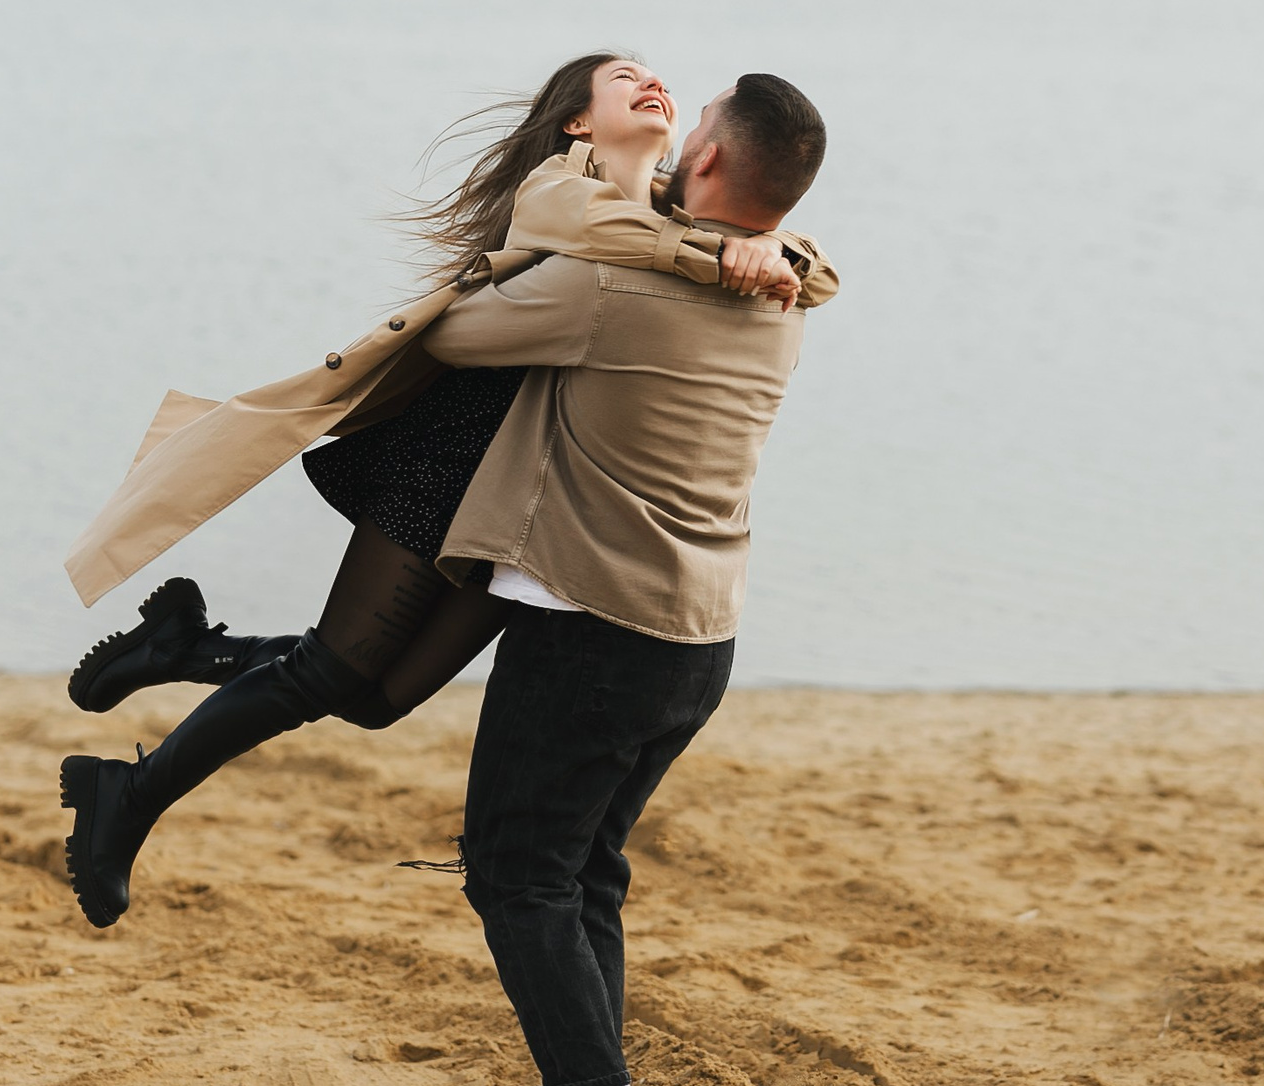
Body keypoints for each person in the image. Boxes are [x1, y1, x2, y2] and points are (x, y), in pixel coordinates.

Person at [56, 56, 838, 938]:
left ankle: (187, 647)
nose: (655, 89)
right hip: (455, 448)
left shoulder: (668, 207)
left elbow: (783, 256)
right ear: (578, 124)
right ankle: (129, 790)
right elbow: (583, 279)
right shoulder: (562, 188)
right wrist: (720, 254)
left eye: (665, 84)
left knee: (381, 698)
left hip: (528, 498)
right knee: (331, 670)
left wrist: (768, 245)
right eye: (623, 79)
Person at [421, 72, 834, 1086]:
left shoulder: (609, 289)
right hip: (697, 641)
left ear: (702, 163)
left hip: (592, 633)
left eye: (690, 128)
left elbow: (452, 332)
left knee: (514, 876)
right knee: (584, 871)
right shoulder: (785, 294)